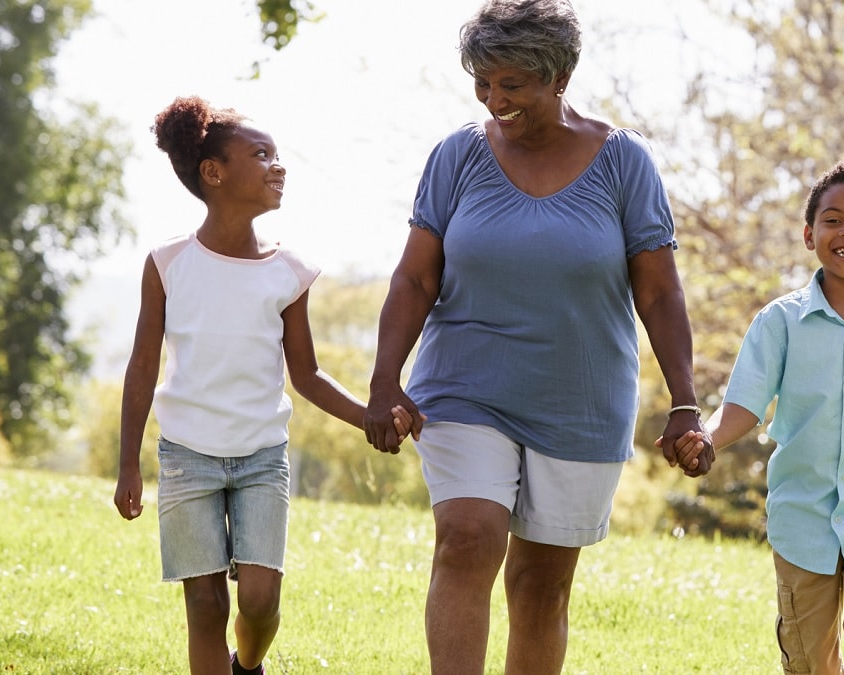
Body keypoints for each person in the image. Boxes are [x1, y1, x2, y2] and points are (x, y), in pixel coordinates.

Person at [361, 1, 713, 672]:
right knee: (466, 538)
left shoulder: (623, 163)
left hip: (578, 399)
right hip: (464, 385)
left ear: (561, 75)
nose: (495, 100)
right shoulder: (457, 156)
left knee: (539, 588)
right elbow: (413, 279)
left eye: (512, 84)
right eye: (483, 84)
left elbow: (660, 291)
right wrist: (385, 380)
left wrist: (685, 400)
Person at [112, 95, 411, 675]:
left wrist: (369, 416)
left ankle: (247, 667)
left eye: (277, 155)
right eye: (261, 154)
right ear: (214, 173)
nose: (278, 166)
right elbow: (142, 366)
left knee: (260, 602)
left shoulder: (288, 271)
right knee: (204, 604)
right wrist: (129, 463)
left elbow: (307, 375)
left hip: (260, 458)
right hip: (186, 458)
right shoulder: (168, 263)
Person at [670, 156, 844, 674]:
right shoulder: (779, 322)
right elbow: (744, 406)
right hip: (802, 515)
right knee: (810, 664)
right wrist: (706, 437)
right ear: (808, 233)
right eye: (833, 219)